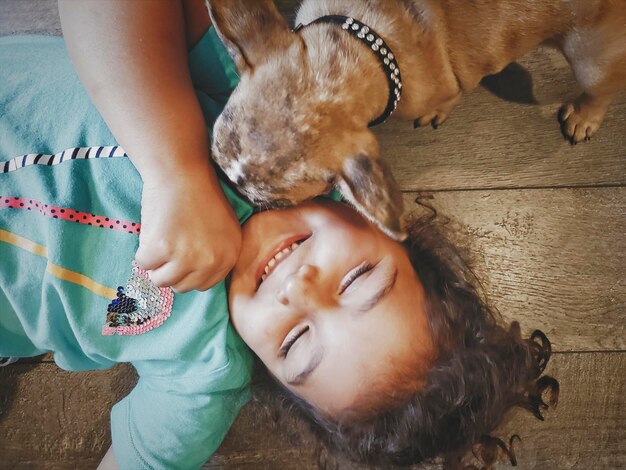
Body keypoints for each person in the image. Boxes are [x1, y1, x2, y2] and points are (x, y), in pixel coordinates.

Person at [0, 1, 557, 469]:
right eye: (358, 279)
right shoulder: (276, 121)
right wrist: (177, 168)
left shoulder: (202, 383)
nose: (300, 290)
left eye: (295, 343)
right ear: (391, 228)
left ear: (274, 378)